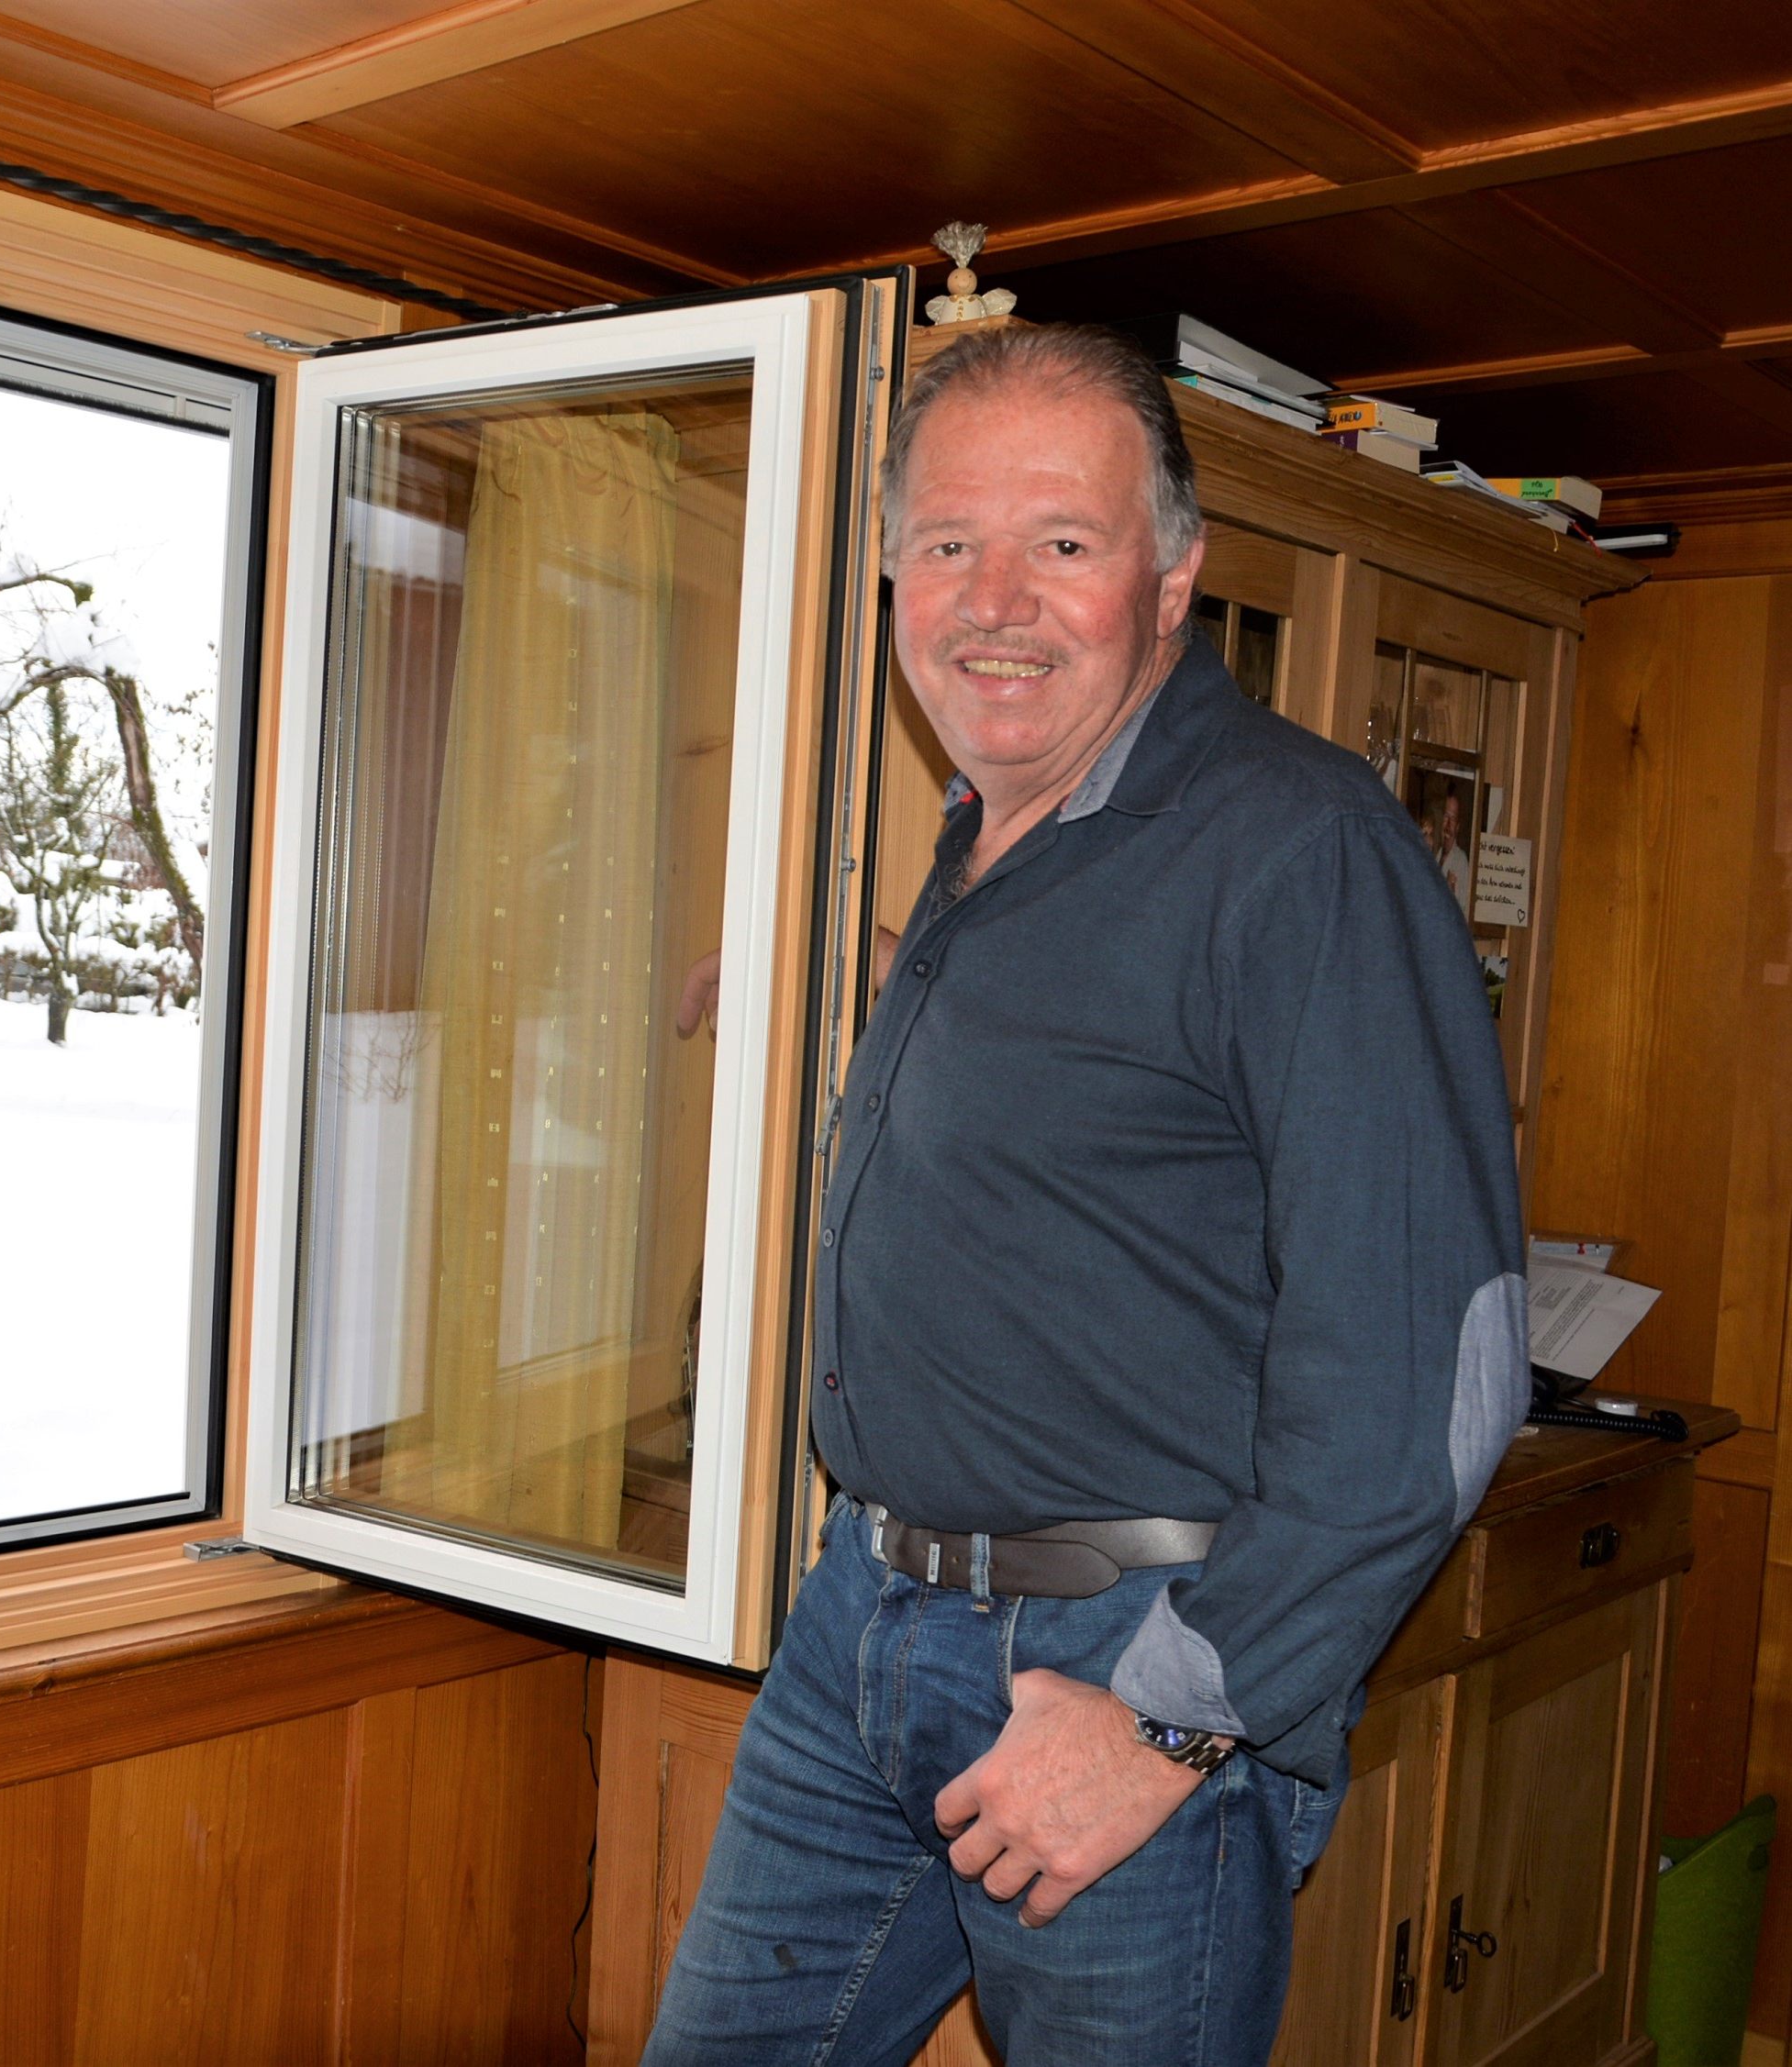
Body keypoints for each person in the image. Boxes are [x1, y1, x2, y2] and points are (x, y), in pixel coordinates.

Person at [641, 326, 1527, 2065]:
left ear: (1174, 576)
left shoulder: (1302, 845)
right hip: (865, 1628)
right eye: (948, 542)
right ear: (893, 572)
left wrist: (1167, 1725)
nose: (995, 599)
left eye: (1063, 542)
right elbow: (1101, 1106)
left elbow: (1442, 1372)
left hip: (1123, 1660)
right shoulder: (989, 829)